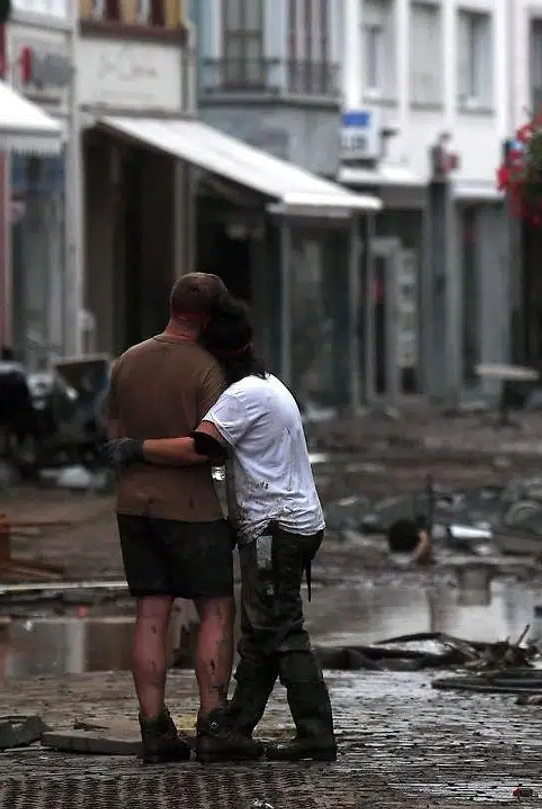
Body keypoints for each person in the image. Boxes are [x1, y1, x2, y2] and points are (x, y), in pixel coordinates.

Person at [106, 297, 337, 762]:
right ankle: (231, 727)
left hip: (276, 528)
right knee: (261, 631)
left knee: (282, 629)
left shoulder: (242, 397)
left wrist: (137, 448)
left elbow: (200, 448)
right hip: (282, 524)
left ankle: (316, 733)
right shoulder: (265, 385)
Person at [104, 273, 255, 764]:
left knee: (151, 612)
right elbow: (208, 446)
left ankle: (154, 728)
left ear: (173, 307)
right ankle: (213, 723)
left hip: (134, 504)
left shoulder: (127, 360)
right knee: (215, 608)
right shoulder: (208, 368)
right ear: (210, 317)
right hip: (191, 509)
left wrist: (140, 453)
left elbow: (115, 434)